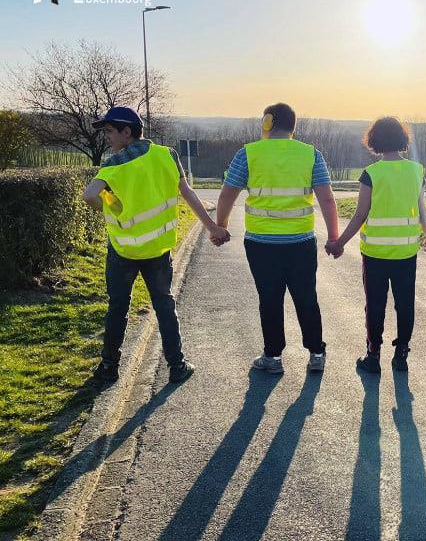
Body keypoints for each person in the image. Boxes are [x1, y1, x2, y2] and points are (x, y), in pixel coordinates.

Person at [82, 107, 230, 384]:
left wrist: (113, 206)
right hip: (158, 251)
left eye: (110, 131)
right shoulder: (167, 155)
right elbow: (187, 193)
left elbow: (90, 194)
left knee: (118, 307)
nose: (107, 138)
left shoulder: (113, 165)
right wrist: (213, 228)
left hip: (123, 251)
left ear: (127, 132)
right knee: (164, 306)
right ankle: (177, 366)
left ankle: (108, 368)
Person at [215, 103, 339, 375]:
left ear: (268, 122)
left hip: (262, 244)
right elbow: (327, 198)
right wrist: (334, 237)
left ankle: (273, 357)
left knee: (269, 299)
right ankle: (316, 353)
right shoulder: (311, 154)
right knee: (306, 296)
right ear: (293, 125)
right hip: (301, 242)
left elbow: (227, 195)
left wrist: (220, 227)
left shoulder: (248, 153)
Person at [328, 117, 426, 374]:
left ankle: (373, 354)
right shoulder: (417, 171)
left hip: (375, 253)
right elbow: (422, 210)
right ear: (402, 139)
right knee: (405, 303)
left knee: (375, 304)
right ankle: (401, 355)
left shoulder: (371, 174)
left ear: (374, 140)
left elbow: (359, 215)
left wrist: (339, 243)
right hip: (406, 253)